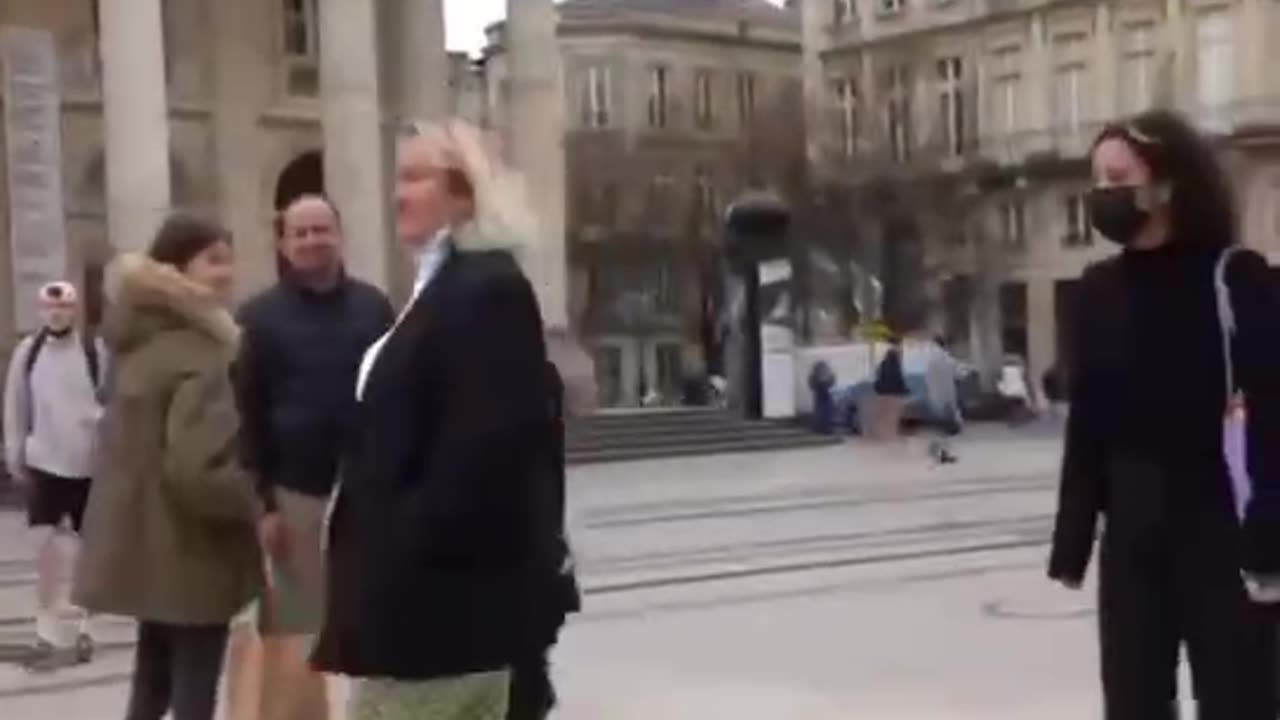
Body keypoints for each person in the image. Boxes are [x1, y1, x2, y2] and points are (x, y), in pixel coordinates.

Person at [313, 119, 563, 719]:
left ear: (464, 192)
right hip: (415, 611)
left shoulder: (487, 290)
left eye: (414, 177)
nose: (397, 194)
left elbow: (480, 457)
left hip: (436, 617)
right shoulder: (442, 287)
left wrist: (399, 550)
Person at [1048, 110, 1280, 718]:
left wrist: (1270, 534)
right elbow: (1088, 423)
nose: (1105, 195)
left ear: (1168, 185)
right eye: (1097, 181)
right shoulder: (1097, 291)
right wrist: (1072, 540)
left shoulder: (1238, 279)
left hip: (1221, 530)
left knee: (1239, 700)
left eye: (1119, 178)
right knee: (1132, 700)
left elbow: (1273, 414)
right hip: (1131, 533)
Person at [73, 214, 261, 720]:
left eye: (229, 258)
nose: (227, 272)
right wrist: (256, 502)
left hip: (146, 544)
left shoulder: (138, 341)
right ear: (177, 272)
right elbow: (199, 470)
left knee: (151, 685)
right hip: (193, 551)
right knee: (194, 693)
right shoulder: (203, 352)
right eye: (213, 260)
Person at [3, 281, 105, 670]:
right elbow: (16, 405)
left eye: (63, 308)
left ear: (75, 310)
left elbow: (111, 399)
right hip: (44, 460)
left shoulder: (94, 352)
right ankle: (45, 625)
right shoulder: (28, 354)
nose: (56, 314)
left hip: (89, 464)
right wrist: (16, 453)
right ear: (41, 311)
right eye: (50, 308)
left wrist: (102, 428)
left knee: (88, 550)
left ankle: (85, 625)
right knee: (44, 545)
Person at [922, 337, 960, 464]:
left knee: (938, 426)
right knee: (945, 427)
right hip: (947, 396)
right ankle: (941, 452)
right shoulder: (948, 359)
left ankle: (936, 450)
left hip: (935, 396)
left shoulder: (929, 359)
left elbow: (927, 379)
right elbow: (957, 374)